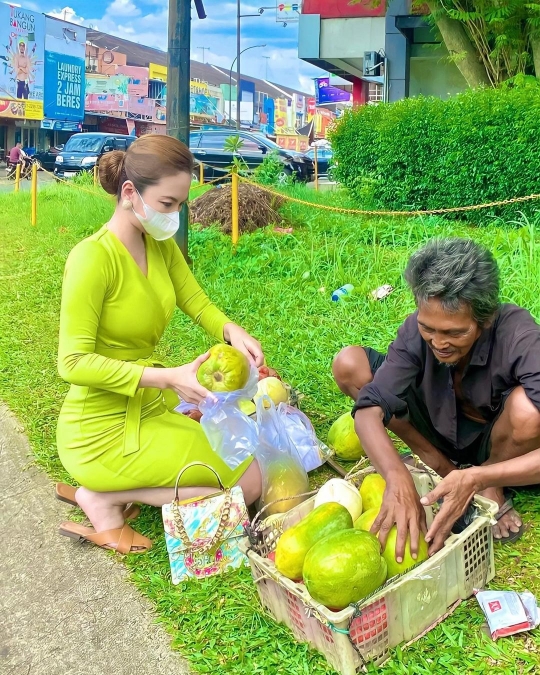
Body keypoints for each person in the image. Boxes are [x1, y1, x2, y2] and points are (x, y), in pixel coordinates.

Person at [56, 134, 264, 554]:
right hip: (100, 429)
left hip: (147, 407)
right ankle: (102, 496)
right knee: (251, 481)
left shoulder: (158, 243)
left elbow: (194, 299)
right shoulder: (92, 258)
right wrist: (168, 378)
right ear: (130, 193)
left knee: (249, 459)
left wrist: (231, 330)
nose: (175, 215)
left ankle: (121, 489)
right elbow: (72, 363)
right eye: (167, 204)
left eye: (180, 204)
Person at [333, 238, 540, 560]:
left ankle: (489, 484)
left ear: (484, 320)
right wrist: (395, 477)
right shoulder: (416, 334)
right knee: (350, 364)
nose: (439, 343)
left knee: (529, 412)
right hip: (438, 427)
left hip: (493, 441)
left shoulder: (520, 336)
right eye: (429, 328)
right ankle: (439, 466)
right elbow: (368, 410)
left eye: (456, 333)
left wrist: (478, 477)